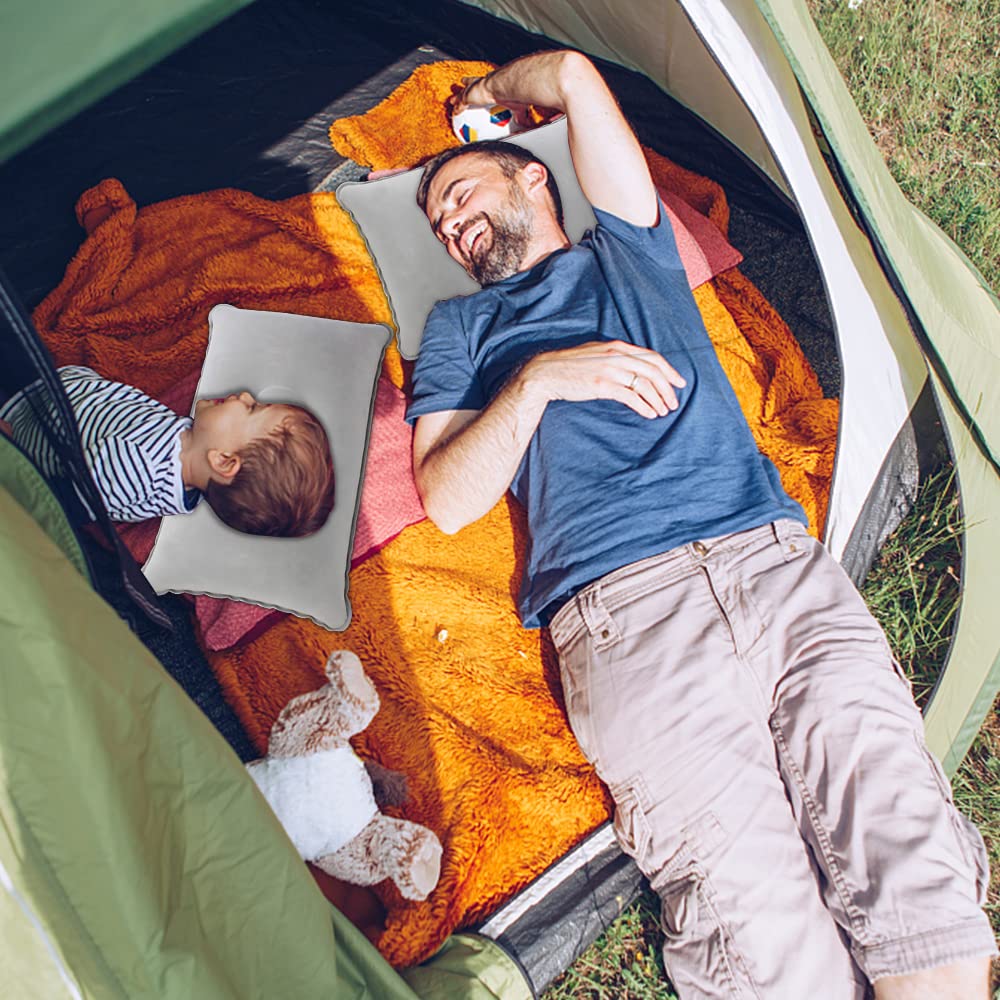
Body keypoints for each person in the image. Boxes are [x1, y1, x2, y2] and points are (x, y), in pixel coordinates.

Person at [406, 50, 996, 999]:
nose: (454, 226)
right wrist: (543, 379)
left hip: (770, 563)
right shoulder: (459, 331)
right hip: (626, 618)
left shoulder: (632, 245)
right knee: (757, 930)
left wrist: (480, 99)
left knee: (901, 838)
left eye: (463, 195)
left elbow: (567, 73)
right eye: (439, 225)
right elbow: (446, 495)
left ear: (531, 172)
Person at [0, 365, 335, 536]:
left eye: (252, 409)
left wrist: (11, 450)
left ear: (223, 461)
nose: (245, 395)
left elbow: (57, 500)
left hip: (22, 412)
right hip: (53, 391)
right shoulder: (187, 453)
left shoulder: (140, 467)